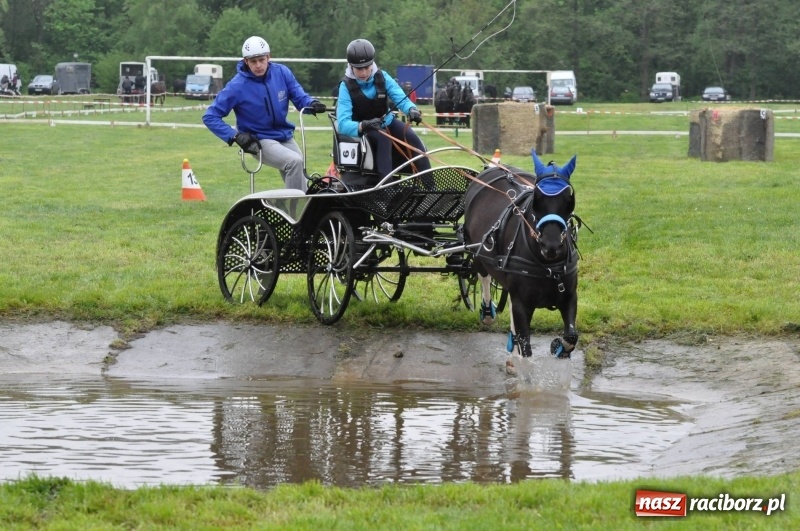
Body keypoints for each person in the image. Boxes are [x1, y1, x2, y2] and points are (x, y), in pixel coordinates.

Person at [203, 36, 326, 192]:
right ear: (246, 61)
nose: (258, 65)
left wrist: (312, 103)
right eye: (253, 61)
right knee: (294, 162)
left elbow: (299, 96)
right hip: (259, 139)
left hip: (284, 135)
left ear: (269, 57)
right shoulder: (237, 86)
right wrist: (234, 135)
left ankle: (303, 204)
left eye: (261, 60)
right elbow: (210, 116)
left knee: (301, 173)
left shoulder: (282, 73)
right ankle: (297, 207)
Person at [336, 39, 430, 181]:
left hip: (387, 122)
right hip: (365, 129)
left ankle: (430, 187)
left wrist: (412, 109)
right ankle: (386, 188)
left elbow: (400, 97)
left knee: (413, 140)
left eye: (367, 67)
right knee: (383, 138)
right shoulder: (345, 86)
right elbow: (343, 124)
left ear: (372, 63)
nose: (364, 72)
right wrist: (363, 125)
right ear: (351, 66)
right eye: (359, 69)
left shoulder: (383, 77)